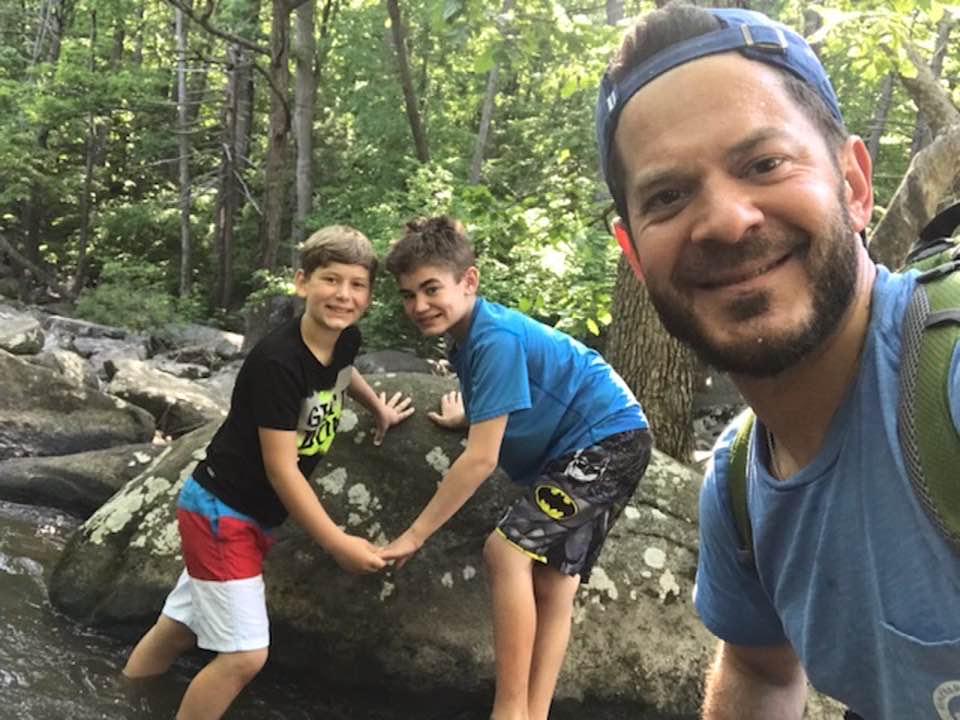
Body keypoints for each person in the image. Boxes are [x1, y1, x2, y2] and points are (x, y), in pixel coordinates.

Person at [594, 3, 960, 718]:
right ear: (635, 255)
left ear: (854, 185)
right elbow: (759, 672)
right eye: (668, 196)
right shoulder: (738, 488)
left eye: (763, 163)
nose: (728, 220)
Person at [122, 225, 414, 720]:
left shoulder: (345, 338)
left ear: (368, 294)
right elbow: (282, 471)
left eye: (357, 284)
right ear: (302, 283)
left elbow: (343, 371)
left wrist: (374, 408)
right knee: (243, 657)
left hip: (246, 515)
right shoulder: (278, 363)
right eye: (330, 279)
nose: (343, 295)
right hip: (224, 513)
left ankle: (123, 698)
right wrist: (337, 542)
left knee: (179, 626)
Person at [378, 216, 652, 720]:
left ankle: (508, 712)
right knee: (552, 584)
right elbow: (505, 396)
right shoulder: (467, 337)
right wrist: (472, 411)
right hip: (603, 439)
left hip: (605, 440)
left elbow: (482, 458)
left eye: (431, 288)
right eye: (407, 294)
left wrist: (415, 535)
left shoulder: (492, 337)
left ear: (469, 281)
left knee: (505, 554)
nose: (418, 305)